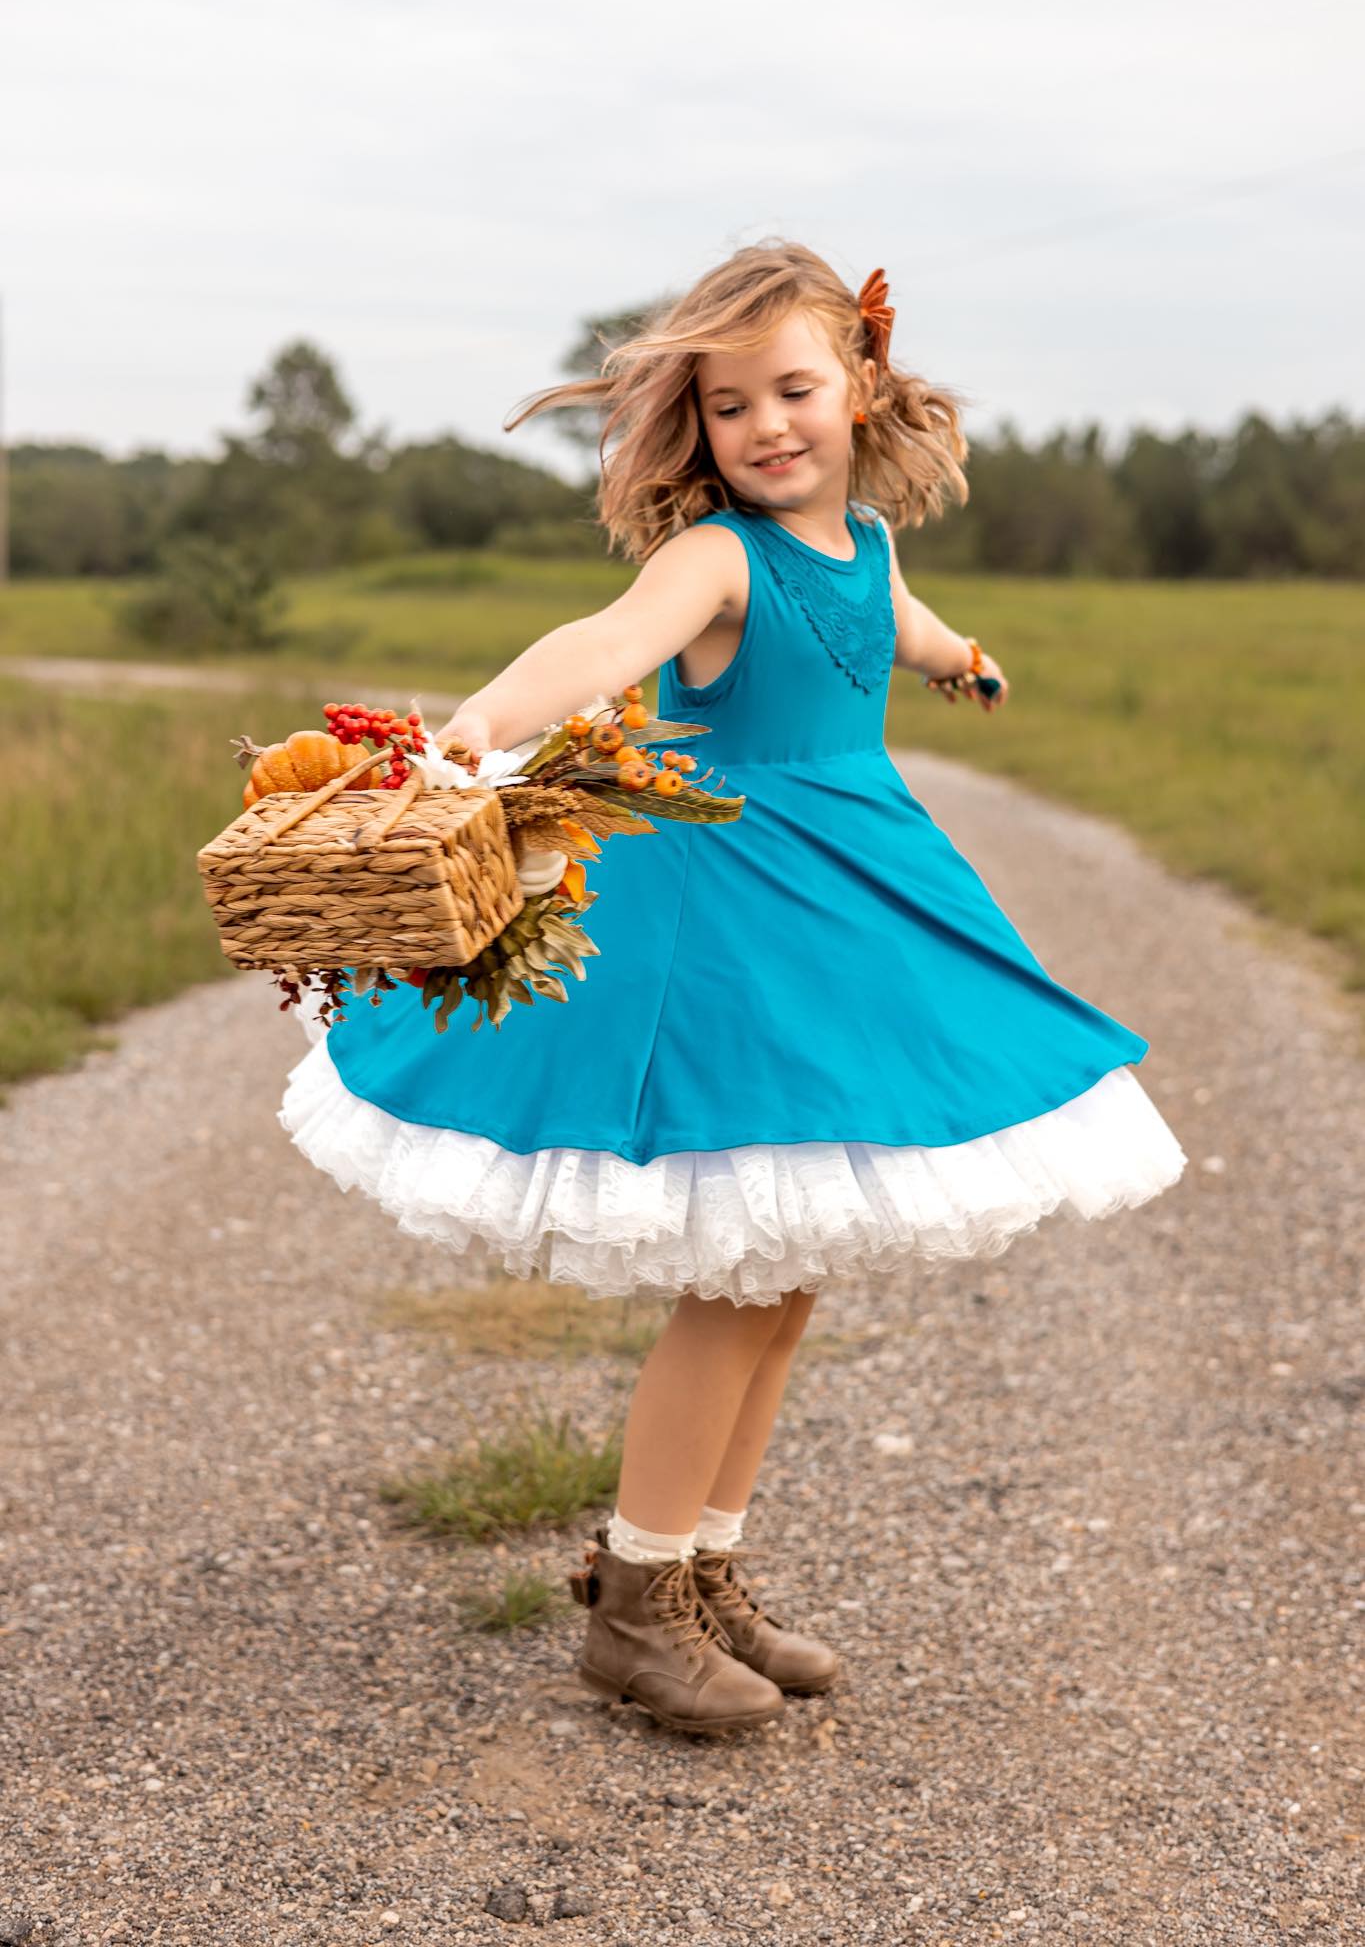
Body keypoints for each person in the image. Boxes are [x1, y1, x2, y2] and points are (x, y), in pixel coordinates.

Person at [279, 238, 1188, 1737]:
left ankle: (697, 1568)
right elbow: (608, 639)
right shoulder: (714, 557)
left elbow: (885, 625)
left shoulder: (869, 547)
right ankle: (635, 1607)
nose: (765, 426)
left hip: (849, 896)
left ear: (860, 384)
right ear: (692, 428)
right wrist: (478, 729)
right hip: (721, 920)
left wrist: (960, 657)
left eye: (793, 389)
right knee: (734, 1276)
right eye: (725, 405)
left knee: (788, 1270)